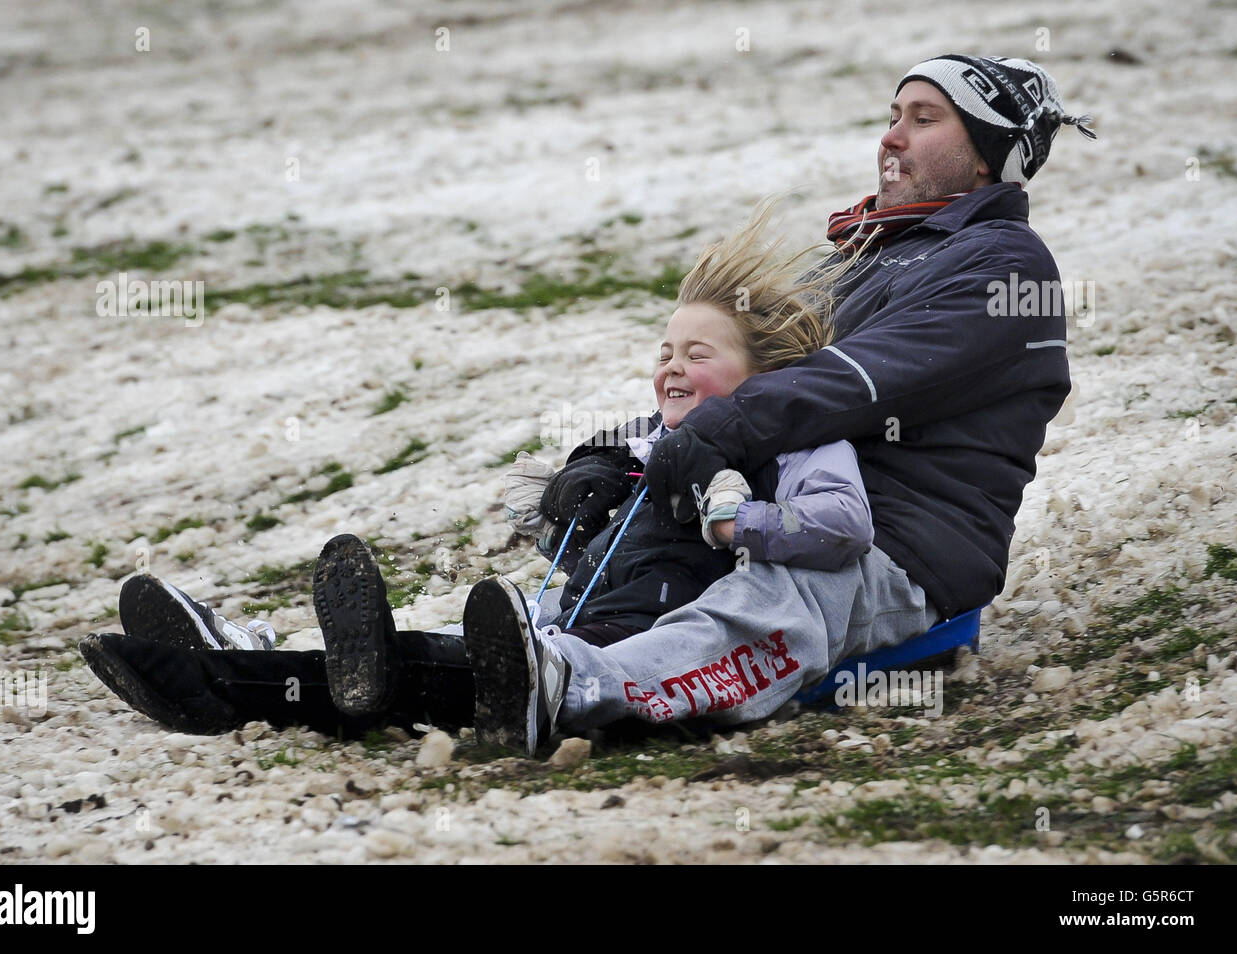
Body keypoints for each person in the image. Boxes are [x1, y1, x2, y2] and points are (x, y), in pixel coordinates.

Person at [462, 53, 1094, 749]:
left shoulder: (1001, 267)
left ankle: (571, 685)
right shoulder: (860, 255)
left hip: (889, 543)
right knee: (620, 578)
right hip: (765, 501)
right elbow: (745, 382)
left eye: (924, 120)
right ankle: (431, 667)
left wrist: (715, 434)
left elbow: (854, 382)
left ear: (988, 155)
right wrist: (615, 456)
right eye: (892, 118)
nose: (891, 138)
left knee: (766, 604)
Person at [80, 197, 874, 749]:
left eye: (696, 355)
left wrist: (740, 522)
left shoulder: (788, 444)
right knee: (427, 660)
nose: (670, 367)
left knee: (493, 665)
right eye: (663, 351)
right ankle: (244, 667)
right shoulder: (642, 437)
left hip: (647, 639)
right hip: (576, 614)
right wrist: (572, 487)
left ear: (762, 376)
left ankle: (291, 671)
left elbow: (843, 526)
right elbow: (534, 514)